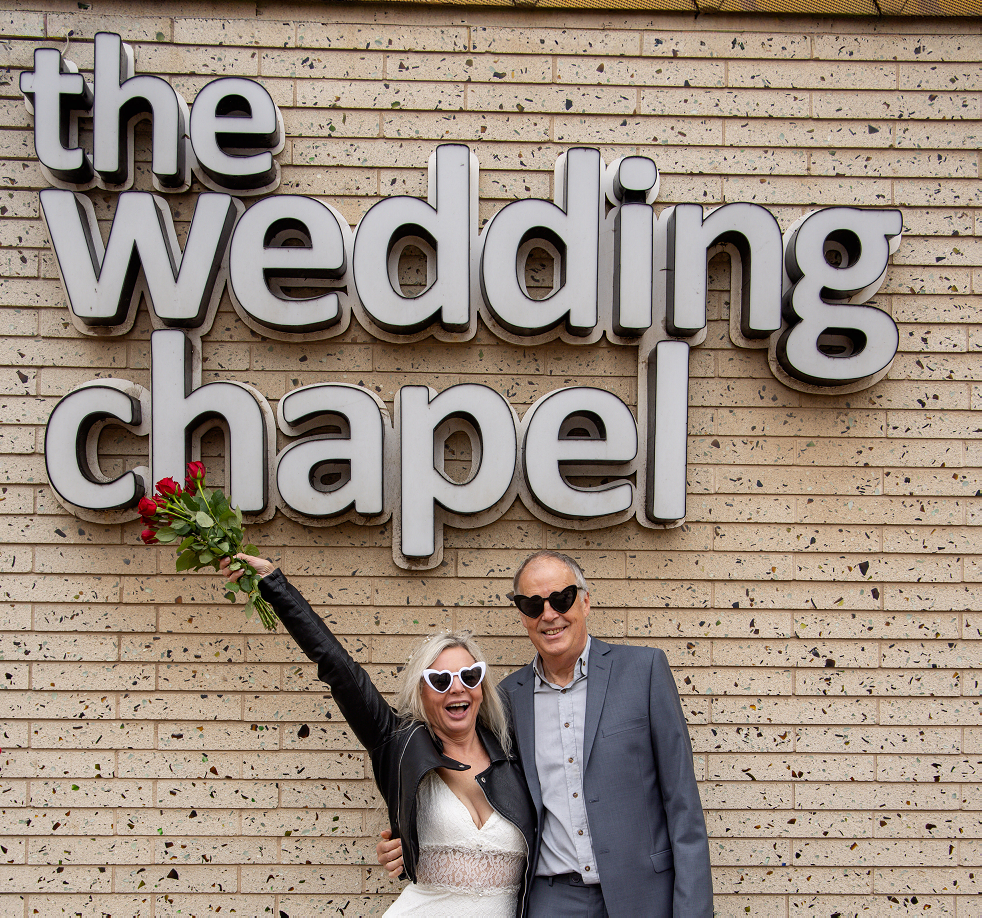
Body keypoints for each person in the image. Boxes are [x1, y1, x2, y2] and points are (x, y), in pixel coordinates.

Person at [379, 549, 713, 917]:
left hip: (643, 894)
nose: (549, 614)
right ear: (522, 615)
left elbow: (683, 806)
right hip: (551, 900)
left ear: (585, 602)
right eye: (533, 604)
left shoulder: (644, 671)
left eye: (562, 598)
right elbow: (456, 757)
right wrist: (409, 836)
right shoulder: (506, 699)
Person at [219, 553, 536, 917]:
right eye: (440, 680)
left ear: (482, 685)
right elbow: (337, 666)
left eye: (469, 676)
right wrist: (274, 585)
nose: (457, 689)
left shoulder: (515, 751)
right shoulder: (398, 744)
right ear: (422, 691)